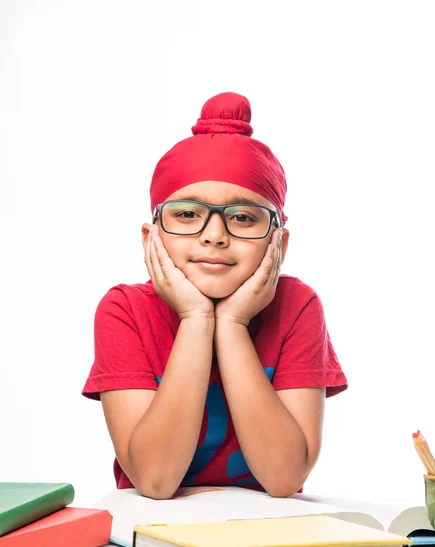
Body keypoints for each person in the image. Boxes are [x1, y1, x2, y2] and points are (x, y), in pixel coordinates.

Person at [82, 92, 348, 500]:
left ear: (279, 243)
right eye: (188, 214)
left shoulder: (297, 306)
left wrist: (232, 324)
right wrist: (195, 318)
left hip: (267, 534)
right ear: (151, 237)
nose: (214, 235)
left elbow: (283, 478)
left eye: (242, 218)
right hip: (157, 534)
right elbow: (154, 480)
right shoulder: (124, 311)